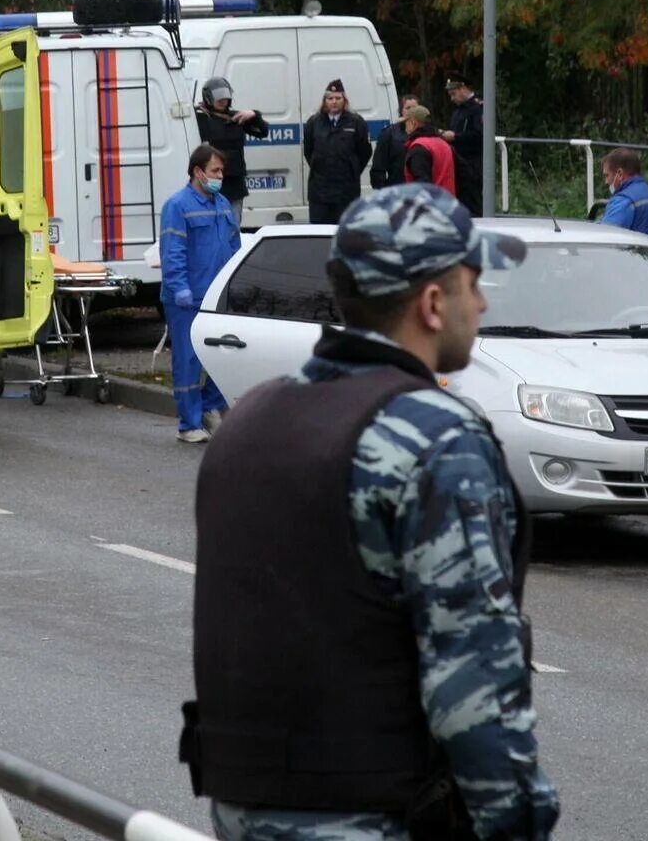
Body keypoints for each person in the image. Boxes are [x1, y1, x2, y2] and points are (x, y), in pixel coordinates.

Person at [182, 183, 555, 841]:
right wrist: (517, 822)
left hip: (244, 808)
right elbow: (472, 676)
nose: (485, 301)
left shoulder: (251, 419)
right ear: (434, 303)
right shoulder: (435, 439)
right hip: (380, 817)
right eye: (474, 281)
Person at [160, 145, 242, 443]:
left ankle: (207, 407)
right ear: (198, 172)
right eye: (215, 171)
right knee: (189, 362)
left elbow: (233, 247)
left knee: (222, 360)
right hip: (188, 298)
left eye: (221, 171)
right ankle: (188, 424)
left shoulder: (221, 204)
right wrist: (179, 287)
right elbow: (173, 252)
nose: (220, 176)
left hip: (216, 296)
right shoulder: (178, 206)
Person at [194, 77, 269, 219]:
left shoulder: (237, 118)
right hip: (210, 183)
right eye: (218, 98)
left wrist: (254, 114)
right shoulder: (201, 118)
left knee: (232, 229)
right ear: (208, 98)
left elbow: (263, 131)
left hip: (234, 184)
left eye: (225, 97)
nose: (223, 101)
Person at [302, 79, 371, 226]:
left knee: (345, 234)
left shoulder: (356, 122)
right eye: (330, 98)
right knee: (319, 235)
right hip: (320, 191)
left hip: (346, 191)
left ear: (344, 100)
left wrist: (351, 169)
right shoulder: (314, 123)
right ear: (325, 101)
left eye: (338, 98)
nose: (334, 102)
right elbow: (308, 151)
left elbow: (364, 152)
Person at [599, 147, 648, 246]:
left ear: (620, 174)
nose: (606, 182)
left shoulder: (624, 200)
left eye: (607, 175)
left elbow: (603, 238)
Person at [390, 103, 456, 198]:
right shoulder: (444, 144)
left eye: (406, 123)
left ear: (413, 123)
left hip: (430, 207)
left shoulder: (419, 148)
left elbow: (422, 186)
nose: (405, 128)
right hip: (448, 204)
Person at [444, 75, 485, 214]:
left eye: (453, 94)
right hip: (458, 162)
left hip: (472, 163)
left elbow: (479, 136)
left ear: (463, 88)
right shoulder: (458, 110)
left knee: (472, 203)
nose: (452, 98)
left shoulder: (477, 108)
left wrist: (455, 137)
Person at [368, 94, 421, 189]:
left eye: (415, 108)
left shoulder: (427, 132)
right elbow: (378, 166)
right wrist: (383, 190)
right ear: (401, 111)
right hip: (398, 188)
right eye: (408, 108)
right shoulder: (390, 133)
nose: (412, 111)